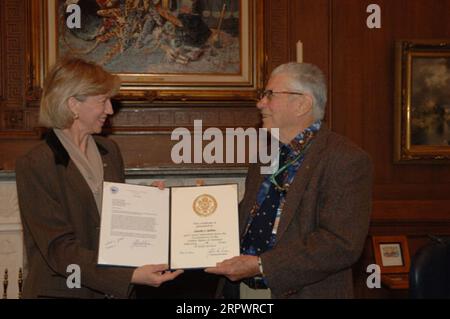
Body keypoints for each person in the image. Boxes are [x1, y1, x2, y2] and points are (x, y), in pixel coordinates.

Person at [15, 57, 183, 299]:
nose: (110, 110)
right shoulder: (37, 164)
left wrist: (146, 202)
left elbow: (113, 220)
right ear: (73, 104)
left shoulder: (109, 151)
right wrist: (128, 276)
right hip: (64, 292)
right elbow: (59, 249)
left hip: (112, 293)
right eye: (102, 101)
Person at [206, 62, 373, 299]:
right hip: (240, 291)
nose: (260, 103)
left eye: (270, 95)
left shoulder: (346, 160)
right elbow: (251, 216)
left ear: (302, 104)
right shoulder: (267, 153)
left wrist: (262, 266)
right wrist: (204, 210)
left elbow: (340, 244)